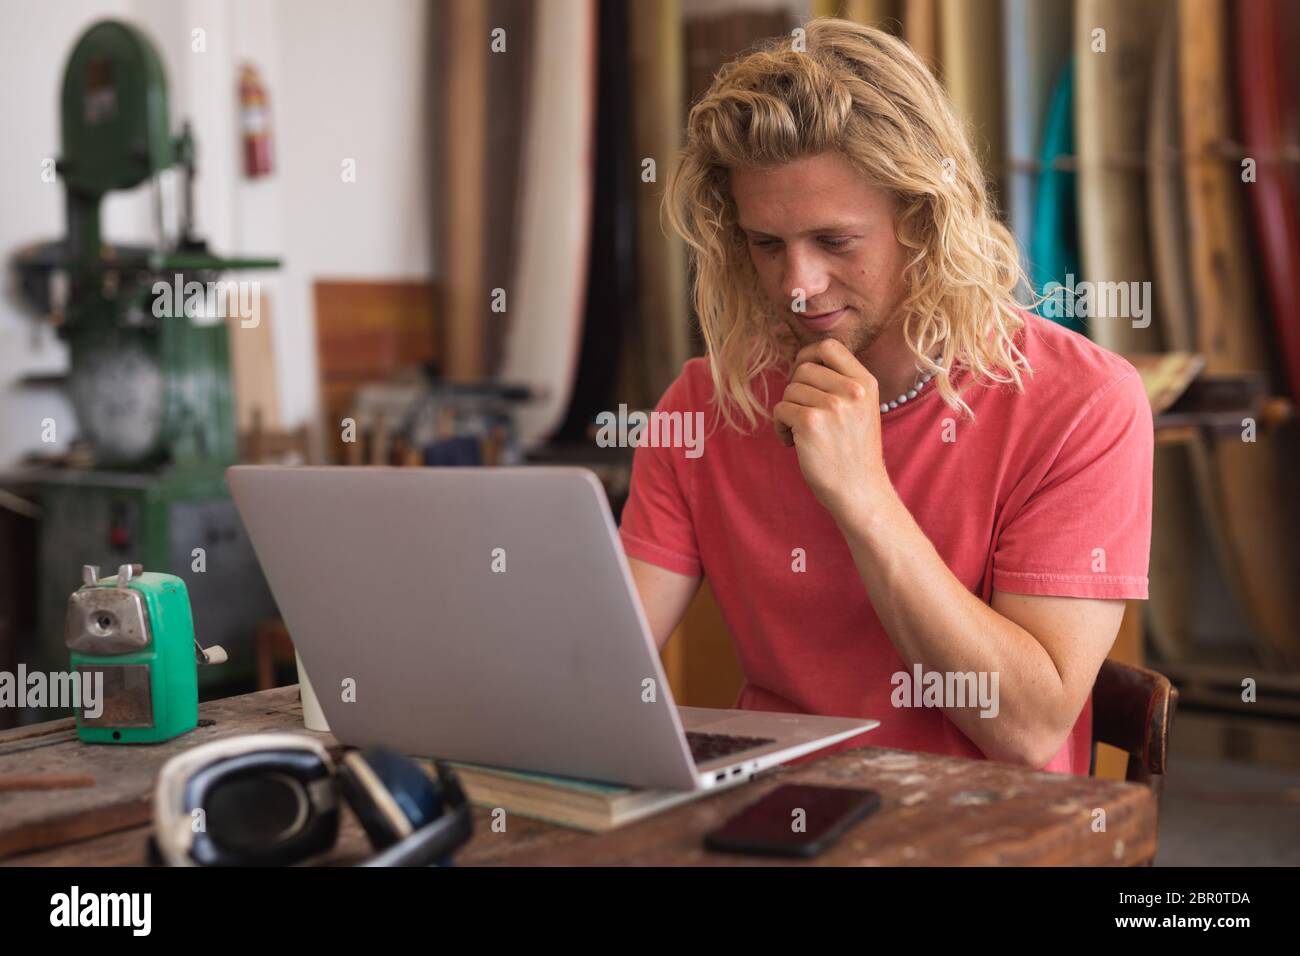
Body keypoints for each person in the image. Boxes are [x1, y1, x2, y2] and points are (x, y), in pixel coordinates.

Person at [618, 18, 1152, 773]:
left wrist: (862, 496)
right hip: (768, 825)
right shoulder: (707, 404)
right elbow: (599, 664)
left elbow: (1030, 729)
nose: (797, 287)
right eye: (766, 244)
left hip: (984, 837)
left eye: (834, 242)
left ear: (926, 219)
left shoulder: (1084, 403)